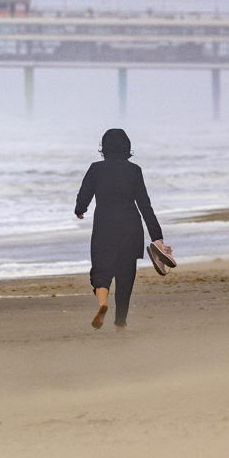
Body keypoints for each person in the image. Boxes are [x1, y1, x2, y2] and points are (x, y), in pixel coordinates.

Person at [74, 128, 170, 331]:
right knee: (125, 275)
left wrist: (80, 210)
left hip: (104, 225)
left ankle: (102, 303)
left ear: (104, 148)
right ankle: (120, 324)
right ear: (127, 147)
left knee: (101, 269)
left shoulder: (96, 168)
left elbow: (84, 195)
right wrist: (157, 237)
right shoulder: (134, 170)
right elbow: (145, 205)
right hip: (130, 227)